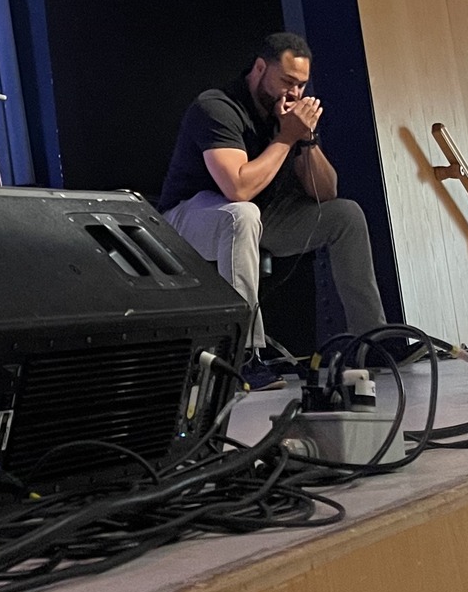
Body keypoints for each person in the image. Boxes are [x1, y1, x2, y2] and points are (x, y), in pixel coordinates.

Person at [158, 32, 386, 372]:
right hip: (186, 220)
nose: (294, 93)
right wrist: (286, 137)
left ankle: (371, 345)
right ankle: (245, 355)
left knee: (345, 216)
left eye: (301, 85)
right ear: (260, 68)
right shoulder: (217, 107)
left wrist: (306, 139)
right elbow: (237, 188)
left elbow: (326, 193)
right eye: (287, 81)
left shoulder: (287, 117)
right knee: (242, 214)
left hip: (260, 217)